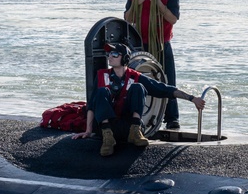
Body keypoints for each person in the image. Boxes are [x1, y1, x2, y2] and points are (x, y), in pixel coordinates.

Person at [72, 42, 204, 156]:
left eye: (115, 54)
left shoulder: (135, 76)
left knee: (138, 87)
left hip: (127, 125)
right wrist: (88, 131)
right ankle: (108, 138)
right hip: (108, 127)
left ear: (125, 59)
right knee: (101, 92)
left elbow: (164, 89)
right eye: (109, 54)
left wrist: (192, 98)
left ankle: (135, 131)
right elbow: (92, 105)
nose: (110, 57)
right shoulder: (102, 75)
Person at [124, 0, 181, 129]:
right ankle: (139, 117)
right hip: (139, 44)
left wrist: (159, 5)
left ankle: (171, 118)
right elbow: (127, 18)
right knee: (137, 80)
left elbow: (173, 19)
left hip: (161, 43)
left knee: (167, 79)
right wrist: (137, 4)